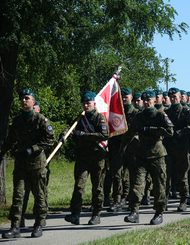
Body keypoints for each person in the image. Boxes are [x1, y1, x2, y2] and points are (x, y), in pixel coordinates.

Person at [1, 89, 54, 238]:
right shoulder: (18, 121)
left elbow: (50, 139)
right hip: (21, 164)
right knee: (18, 196)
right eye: (22, 99)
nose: (24, 101)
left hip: (37, 165)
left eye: (27, 98)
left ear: (33, 101)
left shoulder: (41, 120)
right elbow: (10, 140)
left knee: (39, 196)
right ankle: (15, 226)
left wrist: (33, 149)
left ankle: (38, 224)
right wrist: (2, 152)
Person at [124, 90, 174, 225]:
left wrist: (151, 130)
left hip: (157, 154)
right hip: (141, 154)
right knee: (137, 184)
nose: (146, 102)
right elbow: (131, 131)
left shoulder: (160, 115)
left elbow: (170, 131)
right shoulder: (139, 116)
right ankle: (134, 211)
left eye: (149, 100)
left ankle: (159, 212)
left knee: (159, 185)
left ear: (154, 100)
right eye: (144, 100)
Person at [64, 91, 109, 226]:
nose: (86, 105)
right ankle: (75, 214)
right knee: (79, 186)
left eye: (88, 103)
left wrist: (84, 135)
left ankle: (96, 214)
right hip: (83, 157)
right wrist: (64, 134)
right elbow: (71, 129)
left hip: (97, 157)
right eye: (84, 103)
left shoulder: (99, 118)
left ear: (94, 104)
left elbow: (104, 134)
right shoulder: (80, 118)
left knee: (97, 188)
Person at [164, 87, 190, 212]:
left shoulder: (186, 111)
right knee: (165, 176)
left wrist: (179, 133)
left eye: (175, 97)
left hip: (182, 147)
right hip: (169, 147)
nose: (173, 99)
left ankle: (183, 200)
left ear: (180, 97)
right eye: (171, 97)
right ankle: (163, 201)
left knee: (182, 176)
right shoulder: (166, 112)